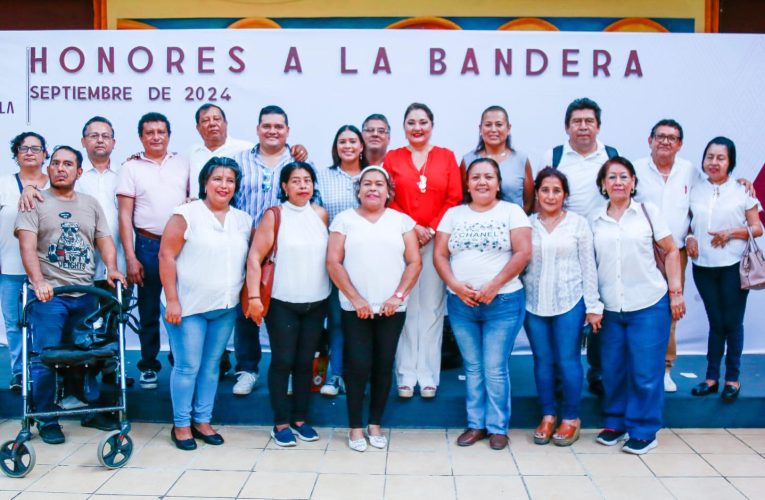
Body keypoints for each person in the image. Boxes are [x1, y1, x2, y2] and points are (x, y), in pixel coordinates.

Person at [15, 145, 125, 445]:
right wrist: (38, 281)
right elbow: (27, 245)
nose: (60, 168)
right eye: (56, 163)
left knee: (85, 357)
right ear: (48, 169)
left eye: (68, 164)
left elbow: (104, 238)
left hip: (85, 294)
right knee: (45, 358)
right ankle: (46, 417)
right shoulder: (34, 201)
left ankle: (89, 411)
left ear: (79, 172)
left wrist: (112, 269)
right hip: (51, 295)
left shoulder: (90, 203)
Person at [433, 157, 531, 451]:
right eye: (476, 177)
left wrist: (494, 285)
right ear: (467, 183)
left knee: (494, 367)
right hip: (462, 304)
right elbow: (439, 255)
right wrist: (454, 285)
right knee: (473, 367)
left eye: (489, 177)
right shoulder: (453, 215)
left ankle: (498, 427)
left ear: (499, 183)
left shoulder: (512, 212)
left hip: (502, 302)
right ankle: (476, 425)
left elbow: (522, 252)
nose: (482, 182)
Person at [592, 156, 685, 455]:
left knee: (646, 372)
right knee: (614, 369)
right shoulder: (594, 220)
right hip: (610, 307)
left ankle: (644, 429)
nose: (618, 182)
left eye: (624, 177)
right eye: (612, 177)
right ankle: (616, 423)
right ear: (603, 185)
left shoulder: (648, 212)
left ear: (633, 182)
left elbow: (671, 250)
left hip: (648, 303)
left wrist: (676, 292)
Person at [159, 157, 252, 450]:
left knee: (211, 366)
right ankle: (182, 424)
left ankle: (202, 420)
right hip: (187, 307)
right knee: (188, 366)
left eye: (230, 180)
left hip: (224, 307)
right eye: (217, 179)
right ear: (204, 183)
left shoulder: (243, 219)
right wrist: (172, 299)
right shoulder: (186, 214)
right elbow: (166, 256)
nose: (223, 185)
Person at [327, 166, 421, 452]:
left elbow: (414, 262)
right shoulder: (344, 221)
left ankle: (375, 424)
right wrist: (355, 298)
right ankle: (355, 427)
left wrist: (398, 296)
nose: (372, 188)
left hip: (392, 309)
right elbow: (333, 262)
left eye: (379, 184)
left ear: (388, 191)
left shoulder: (401, 221)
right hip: (356, 308)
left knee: (383, 365)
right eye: (366, 183)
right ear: (358, 190)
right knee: (357, 366)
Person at [245, 161, 330, 446]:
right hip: (282, 301)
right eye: (295, 181)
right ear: (284, 186)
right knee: (283, 360)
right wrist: (255, 296)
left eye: (307, 180)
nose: (302, 185)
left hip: (316, 301)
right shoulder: (274, 215)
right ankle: (281, 422)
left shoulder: (321, 214)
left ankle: (300, 419)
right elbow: (255, 257)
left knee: (306, 363)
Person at [539, 97, 619, 397]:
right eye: (577, 121)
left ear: (598, 126)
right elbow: (542, 195)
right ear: (567, 126)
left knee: (601, 307)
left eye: (589, 121)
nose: (583, 127)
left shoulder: (610, 155)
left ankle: (597, 372)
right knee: (563, 307)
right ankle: (562, 372)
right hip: (564, 242)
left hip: (602, 241)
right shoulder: (555, 154)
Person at [383, 102, 462, 399]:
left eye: (423, 122)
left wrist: (429, 227)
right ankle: (405, 375)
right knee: (405, 306)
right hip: (403, 241)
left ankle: (428, 375)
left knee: (430, 309)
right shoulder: (393, 158)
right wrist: (413, 227)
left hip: (435, 242)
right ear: (404, 127)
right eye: (411, 122)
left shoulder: (446, 157)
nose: (417, 127)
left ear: (431, 125)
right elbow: (387, 197)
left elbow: (454, 198)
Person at [231, 105, 310, 397]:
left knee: (283, 310)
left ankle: (285, 369)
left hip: (288, 250)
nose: (272, 131)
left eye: (279, 126)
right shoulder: (239, 161)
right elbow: (229, 198)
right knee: (247, 308)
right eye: (267, 126)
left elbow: (314, 203)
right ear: (258, 129)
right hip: (247, 246)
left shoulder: (299, 161)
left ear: (287, 130)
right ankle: (247, 369)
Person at [521, 167, 603, 447]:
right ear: (537, 193)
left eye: (557, 190)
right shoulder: (526, 224)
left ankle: (570, 417)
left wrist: (593, 305)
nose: (550, 195)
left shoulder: (578, 224)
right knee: (542, 361)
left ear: (565, 195)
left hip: (570, 301)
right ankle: (547, 414)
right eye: (545, 190)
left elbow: (588, 266)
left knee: (568, 360)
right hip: (533, 304)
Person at [117, 112, 189, 390]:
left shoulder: (183, 163)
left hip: (181, 245)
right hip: (146, 245)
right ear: (141, 137)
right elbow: (125, 216)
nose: (156, 137)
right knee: (148, 309)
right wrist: (131, 257)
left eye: (161, 131)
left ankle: (180, 363)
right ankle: (148, 365)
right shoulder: (131, 168)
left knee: (181, 306)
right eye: (150, 132)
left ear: (169, 135)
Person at [687, 137, 762, 401]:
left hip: (733, 266)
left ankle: (732, 379)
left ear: (730, 162)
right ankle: (710, 378)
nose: (714, 162)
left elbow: (757, 228)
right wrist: (689, 239)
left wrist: (732, 232)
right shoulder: (694, 188)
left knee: (732, 323)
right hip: (703, 267)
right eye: (710, 157)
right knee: (715, 322)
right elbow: (687, 224)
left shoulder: (742, 191)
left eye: (721, 158)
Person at [633, 119, 695, 393]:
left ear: (679, 144)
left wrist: (692, 233)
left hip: (675, 251)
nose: (665, 142)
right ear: (650, 140)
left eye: (672, 138)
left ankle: (666, 368)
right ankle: (636, 368)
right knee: (638, 309)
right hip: (641, 252)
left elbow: (702, 206)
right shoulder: (634, 169)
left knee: (671, 309)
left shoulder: (690, 171)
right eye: (660, 136)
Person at [316, 125, 368, 397]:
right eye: (342, 142)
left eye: (352, 141)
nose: (347, 146)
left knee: (360, 321)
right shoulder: (323, 177)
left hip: (368, 260)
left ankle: (357, 375)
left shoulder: (372, 176)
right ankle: (334, 375)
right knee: (336, 320)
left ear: (362, 146)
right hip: (333, 259)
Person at [0, 132, 48, 392]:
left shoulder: (56, 182)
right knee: (15, 323)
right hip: (10, 266)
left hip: (49, 270)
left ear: (44, 154)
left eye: (35, 148)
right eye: (23, 148)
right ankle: (20, 372)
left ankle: (43, 372)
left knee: (45, 324)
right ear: (16, 153)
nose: (29, 152)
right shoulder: (4, 183)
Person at [460, 105, 534, 212]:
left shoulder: (521, 160)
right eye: (488, 125)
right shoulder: (468, 160)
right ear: (480, 129)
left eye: (499, 124)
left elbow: (529, 202)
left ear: (508, 129)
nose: (493, 129)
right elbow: (463, 198)